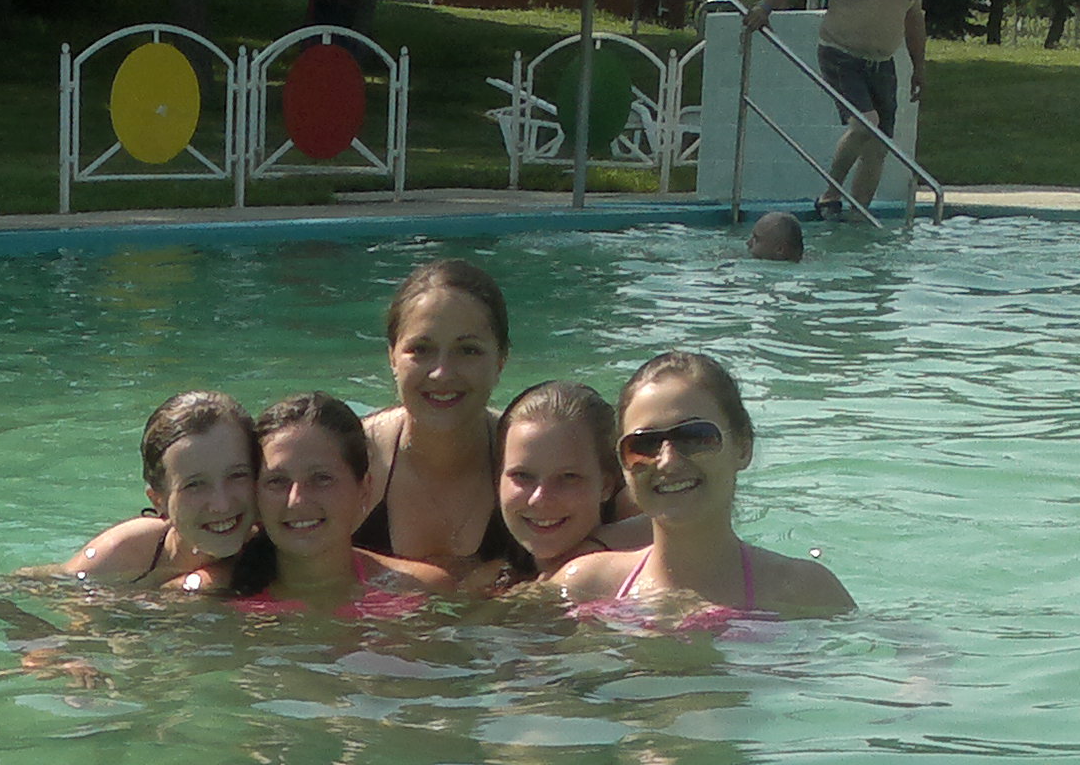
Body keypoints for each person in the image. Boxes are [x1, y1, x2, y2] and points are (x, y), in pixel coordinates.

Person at [357, 259, 640, 587]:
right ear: (392, 356)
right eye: (421, 349)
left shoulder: (534, 451)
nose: (442, 373)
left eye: (468, 350)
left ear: (501, 359)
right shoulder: (348, 459)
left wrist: (588, 551)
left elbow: (676, 518)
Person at [541, 352, 852, 622]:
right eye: (644, 444)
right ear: (623, 463)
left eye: (695, 438)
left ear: (743, 447)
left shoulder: (806, 594)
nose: (668, 462)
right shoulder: (585, 587)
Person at [745, 0, 927, 218]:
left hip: (882, 61)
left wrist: (918, 67)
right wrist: (765, 6)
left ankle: (858, 218)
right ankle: (830, 192)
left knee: (879, 146)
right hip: (840, 53)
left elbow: (914, 17)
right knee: (865, 125)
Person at [234, 391, 442, 609]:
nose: (297, 500)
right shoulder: (221, 597)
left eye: (321, 478)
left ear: (364, 489)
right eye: (277, 481)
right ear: (255, 494)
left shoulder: (421, 591)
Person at [64, 391, 270, 588]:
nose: (221, 505)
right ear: (158, 501)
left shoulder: (281, 546)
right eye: (194, 485)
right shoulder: (124, 554)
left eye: (237, 475)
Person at [490, 380, 625, 585]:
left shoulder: (641, 576)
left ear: (606, 485)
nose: (540, 499)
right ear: (498, 480)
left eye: (568, 477)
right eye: (522, 475)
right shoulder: (489, 582)